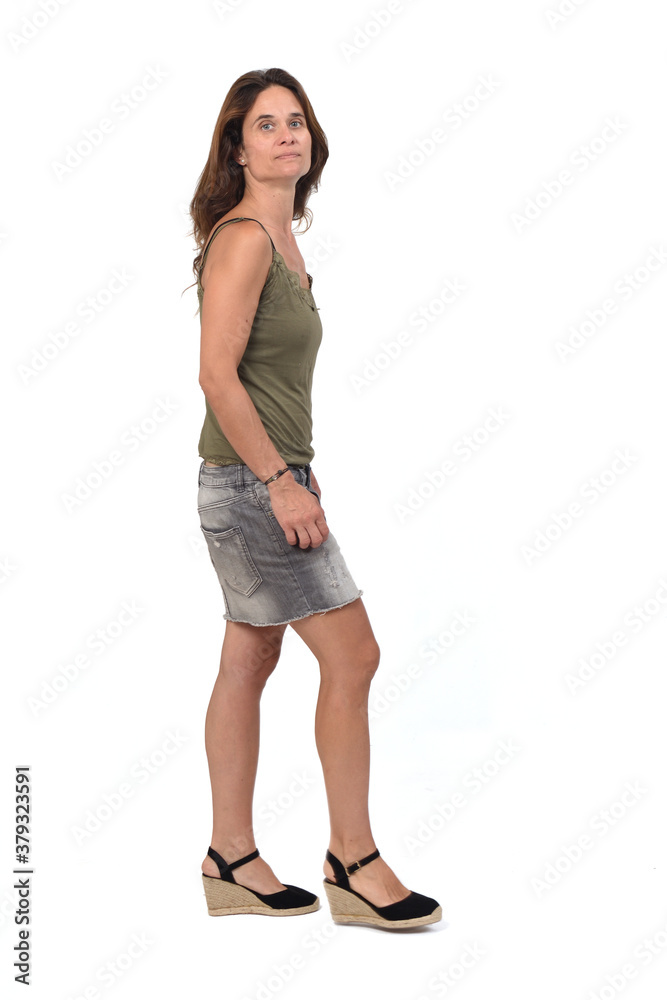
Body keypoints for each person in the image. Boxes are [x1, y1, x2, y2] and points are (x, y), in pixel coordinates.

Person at [187, 67, 441, 930]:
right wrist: (277, 481)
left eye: (297, 121)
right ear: (238, 147)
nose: (287, 135)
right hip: (248, 485)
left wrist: (294, 465)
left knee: (251, 659)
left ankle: (232, 859)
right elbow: (216, 377)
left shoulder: (280, 235)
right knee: (354, 654)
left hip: (259, 477)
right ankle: (353, 861)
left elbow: (263, 379)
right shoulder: (247, 238)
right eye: (266, 125)